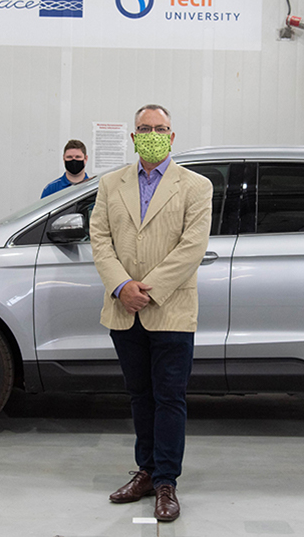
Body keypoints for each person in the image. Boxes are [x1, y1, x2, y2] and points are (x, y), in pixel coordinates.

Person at [90, 104, 212, 522]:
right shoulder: (110, 184)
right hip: (124, 309)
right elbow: (100, 239)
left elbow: (192, 247)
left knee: (170, 397)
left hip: (171, 309)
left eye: (160, 129)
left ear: (172, 137)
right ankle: (144, 470)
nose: (153, 134)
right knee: (140, 395)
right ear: (134, 136)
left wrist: (149, 289)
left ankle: (166, 482)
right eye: (145, 128)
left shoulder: (196, 186)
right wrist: (122, 286)